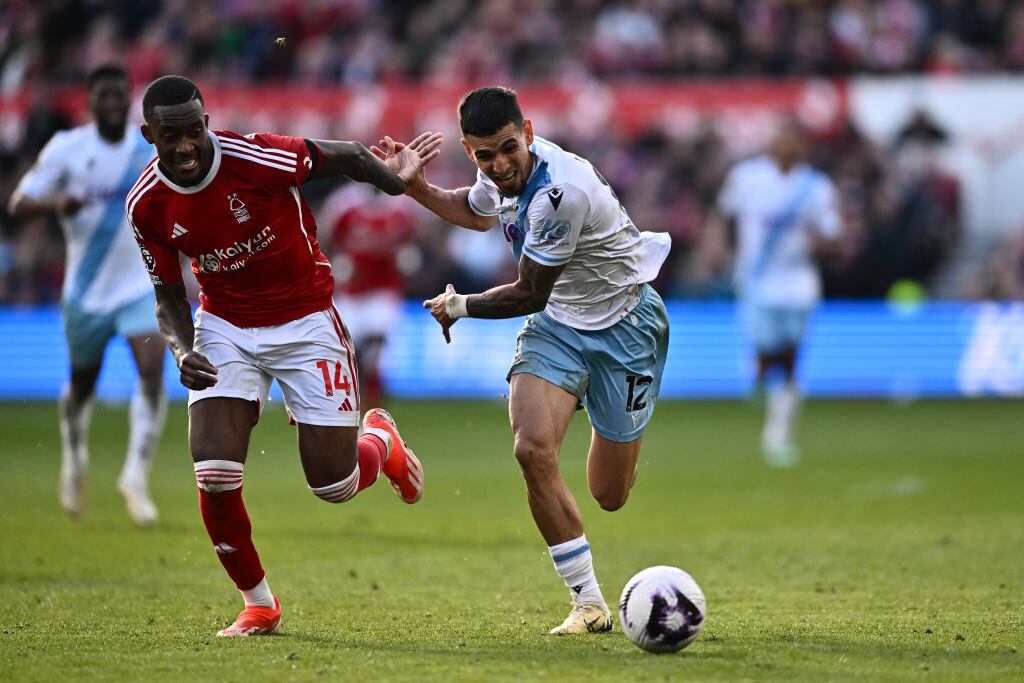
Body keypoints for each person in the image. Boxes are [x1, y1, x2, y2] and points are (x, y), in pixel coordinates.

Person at [127, 75, 439, 637]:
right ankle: (259, 604)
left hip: (306, 319)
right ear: (150, 133)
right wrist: (182, 347)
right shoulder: (147, 203)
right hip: (223, 324)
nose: (187, 146)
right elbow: (168, 297)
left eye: (195, 131)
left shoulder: (258, 157)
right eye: (171, 136)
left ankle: (380, 441)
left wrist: (393, 182)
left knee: (334, 486)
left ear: (206, 121)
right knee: (214, 471)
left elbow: (342, 155)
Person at [383, 86, 672, 635]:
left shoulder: (561, 193)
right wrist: (417, 186)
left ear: (530, 134)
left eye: (509, 148)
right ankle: (588, 604)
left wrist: (459, 305)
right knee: (531, 449)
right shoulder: (498, 176)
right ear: (469, 151)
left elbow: (529, 292)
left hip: (626, 324)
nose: (499, 164)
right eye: (484, 155)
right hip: (559, 326)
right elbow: (474, 212)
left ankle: (595, 401)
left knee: (609, 495)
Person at [8, 64, 167, 527]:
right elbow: (18, 204)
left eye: (122, 94)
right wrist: (56, 203)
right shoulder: (68, 150)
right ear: (90, 101)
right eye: (105, 95)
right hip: (85, 293)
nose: (114, 102)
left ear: (129, 98)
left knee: (153, 371)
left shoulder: (149, 148)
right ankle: (74, 457)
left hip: (140, 286)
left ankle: (135, 477)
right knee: (82, 385)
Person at [710, 120, 841, 466]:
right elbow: (722, 214)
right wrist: (716, 247)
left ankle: (779, 433)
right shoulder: (746, 177)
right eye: (780, 140)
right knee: (766, 352)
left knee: (791, 357)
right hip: (755, 280)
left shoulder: (815, 186)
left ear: (801, 147)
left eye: (792, 142)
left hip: (798, 283)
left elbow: (832, 235)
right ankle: (762, 379)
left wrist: (823, 244)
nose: (786, 148)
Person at [320, 182, 418, 407]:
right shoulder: (344, 203)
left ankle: (373, 407)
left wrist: (408, 258)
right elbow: (325, 238)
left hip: (384, 290)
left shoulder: (401, 206)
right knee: (348, 351)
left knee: (376, 351)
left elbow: (411, 240)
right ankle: (348, 401)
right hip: (350, 292)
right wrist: (331, 264)